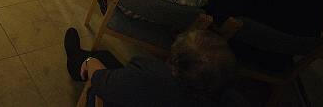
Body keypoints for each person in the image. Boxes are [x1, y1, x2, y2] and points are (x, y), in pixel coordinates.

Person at [63, 28, 248, 106]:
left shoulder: (151, 78)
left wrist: (90, 63)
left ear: (176, 65)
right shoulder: (236, 100)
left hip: (119, 96)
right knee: (105, 56)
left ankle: (77, 58)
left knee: (94, 60)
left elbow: (101, 81)